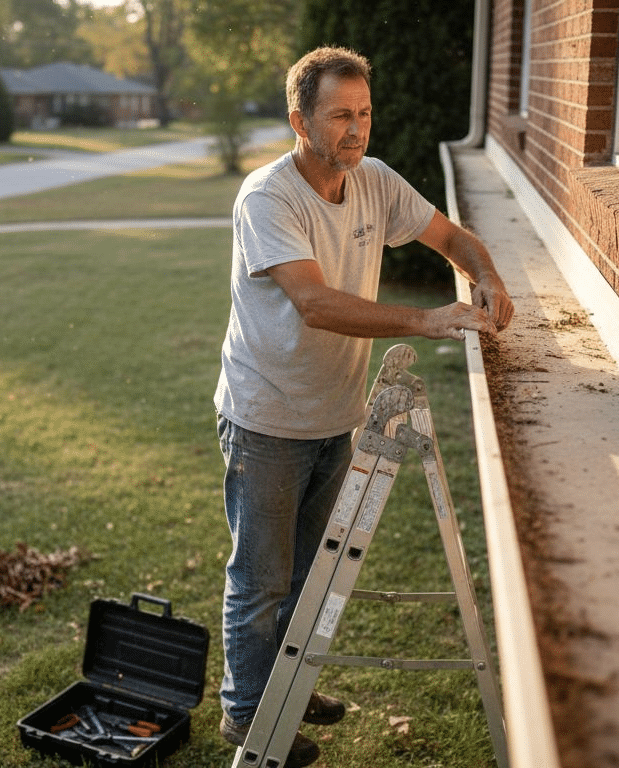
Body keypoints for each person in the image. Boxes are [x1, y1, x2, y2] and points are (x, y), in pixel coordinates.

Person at [213, 46, 514, 767]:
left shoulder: (373, 181)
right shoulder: (268, 197)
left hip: (333, 414)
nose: (357, 129)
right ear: (299, 120)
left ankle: (286, 684)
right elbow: (313, 304)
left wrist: (488, 276)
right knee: (261, 578)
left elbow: (450, 237)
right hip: (267, 418)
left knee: (313, 574)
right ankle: (248, 712)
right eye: (340, 115)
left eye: (365, 113)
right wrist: (427, 319)